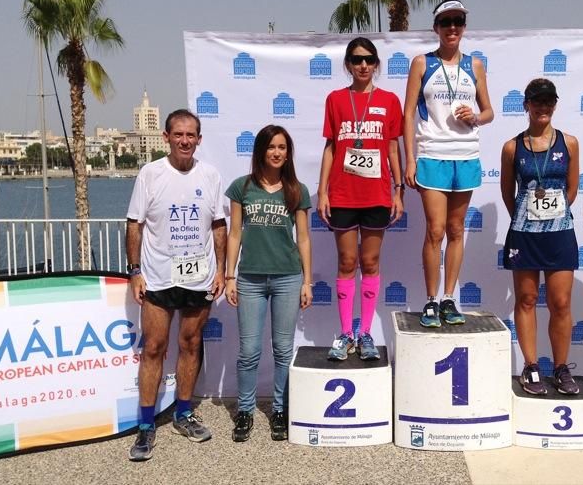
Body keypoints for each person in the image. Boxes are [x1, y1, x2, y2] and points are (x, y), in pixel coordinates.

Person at [126, 109, 226, 461]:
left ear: (199, 139)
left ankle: (184, 412)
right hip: (158, 275)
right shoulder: (150, 173)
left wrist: (221, 270)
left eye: (191, 135)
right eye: (178, 134)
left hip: (199, 275)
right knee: (154, 347)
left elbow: (218, 225)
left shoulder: (210, 175)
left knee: (190, 342)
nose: (185, 141)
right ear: (167, 137)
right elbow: (135, 225)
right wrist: (135, 270)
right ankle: (145, 425)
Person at [403, 0, 493, 328]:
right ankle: (430, 299)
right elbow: (408, 112)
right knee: (435, 230)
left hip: (465, 155)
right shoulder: (422, 64)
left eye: (458, 21)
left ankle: (449, 298)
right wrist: (410, 159)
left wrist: (476, 117)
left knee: (456, 230)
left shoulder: (475, 65)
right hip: (432, 154)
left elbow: (489, 111)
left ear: (464, 26)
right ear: (436, 28)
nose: (452, 27)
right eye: (446, 22)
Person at [318, 37, 404, 361]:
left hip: (376, 195)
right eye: (356, 59)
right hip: (342, 194)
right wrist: (323, 191)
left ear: (377, 63)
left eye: (369, 59)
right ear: (348, 64)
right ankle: (344, 334)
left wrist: (399, 190)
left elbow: (393, 147)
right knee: (346, 263)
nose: (363, 65)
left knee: (369, 262)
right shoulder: (336, 100)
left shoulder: (389, 101)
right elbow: (331, 147)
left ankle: (365, 332)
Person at [225, 124, 312, 442]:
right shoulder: (241, 187)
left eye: (283, 148)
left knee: (282, 350)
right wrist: (229, 275)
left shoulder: (296, 190)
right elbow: (234, 233)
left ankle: (280, 410)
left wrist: (308, 281)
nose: (277, 153)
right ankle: (245, 411)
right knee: (248, 351)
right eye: (271, 147)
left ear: (288, 153)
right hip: (249, 279)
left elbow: (303, 238)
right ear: (260, 150)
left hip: (289, 278)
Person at [500, 79, 580, 396]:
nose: (543, 107)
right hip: (524, 234)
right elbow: (509, 193)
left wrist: (553, 214)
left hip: (559, 232)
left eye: (549, 102)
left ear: (555, 105)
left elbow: (571, 189)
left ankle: (561, 368)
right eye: (537, 101)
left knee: (560, 303)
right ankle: (531, 366)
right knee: (527, 300)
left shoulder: (569, 143)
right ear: (526, 105)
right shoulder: (512, 147)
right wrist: (525, 215)